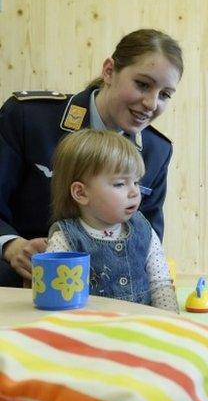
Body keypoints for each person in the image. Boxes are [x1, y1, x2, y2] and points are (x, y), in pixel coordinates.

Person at [0, 28, 183, 288]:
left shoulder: (156, 150)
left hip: (109, 284)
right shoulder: (28, 118)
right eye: (143, 84)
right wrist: (11, 245)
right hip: (23, 271)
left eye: (165, 94)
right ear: (109, 71)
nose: (152, 103)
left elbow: (148, 238)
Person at [46, 129, 178, 312]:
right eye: (120, 184)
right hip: (92, 332)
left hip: (142, 329)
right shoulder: (66, 238)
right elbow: (58, 298)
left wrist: (170, 325)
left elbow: (161, 284)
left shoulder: (143, 230)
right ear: (81, 193)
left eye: (136, 182)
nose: (134, 192)